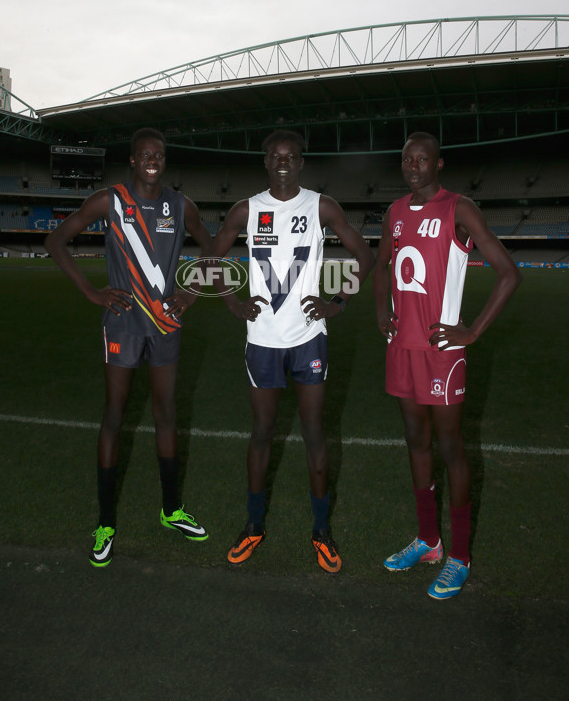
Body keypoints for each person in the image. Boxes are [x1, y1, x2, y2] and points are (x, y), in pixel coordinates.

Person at [45, 128, 212, 567]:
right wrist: (90, 291)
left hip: (165, 324)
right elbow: (55, 240)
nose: (152, 159)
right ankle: (105, 524)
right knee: (114, 417)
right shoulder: (109, 201)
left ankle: (171, 510)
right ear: (133, 161)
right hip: (122, 324)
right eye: (145, 154)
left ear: (164, 160)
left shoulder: (181, 205)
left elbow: (214, 248)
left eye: (159, 153)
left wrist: (192, 292)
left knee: (166, 414)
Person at [212, 129, 374, 573]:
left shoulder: (322, 206)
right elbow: (211, 257)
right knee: (261, 433)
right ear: (266, 162)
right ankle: (253, 526)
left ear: (301, 163)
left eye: (292, 156)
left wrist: (337, 302)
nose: (283, 161)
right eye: (276, 156)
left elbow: (365, 255)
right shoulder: (246, 209)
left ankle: (321, 532)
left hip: (309, 339)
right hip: (262, 340)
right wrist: (232, 302)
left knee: (314, 434)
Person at [372, 131, 521, 599]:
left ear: (438, 164)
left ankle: (459, 555)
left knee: (451, 448)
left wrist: (471, 331)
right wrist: (381, 307)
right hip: (403, 348)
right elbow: (381, 267)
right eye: (406, 159)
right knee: (416, 442)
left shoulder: (459, 208)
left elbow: (508, 272)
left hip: (442, 353)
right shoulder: (394, 213)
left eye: (422, 159)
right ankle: (428, 540)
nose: (413, 166)